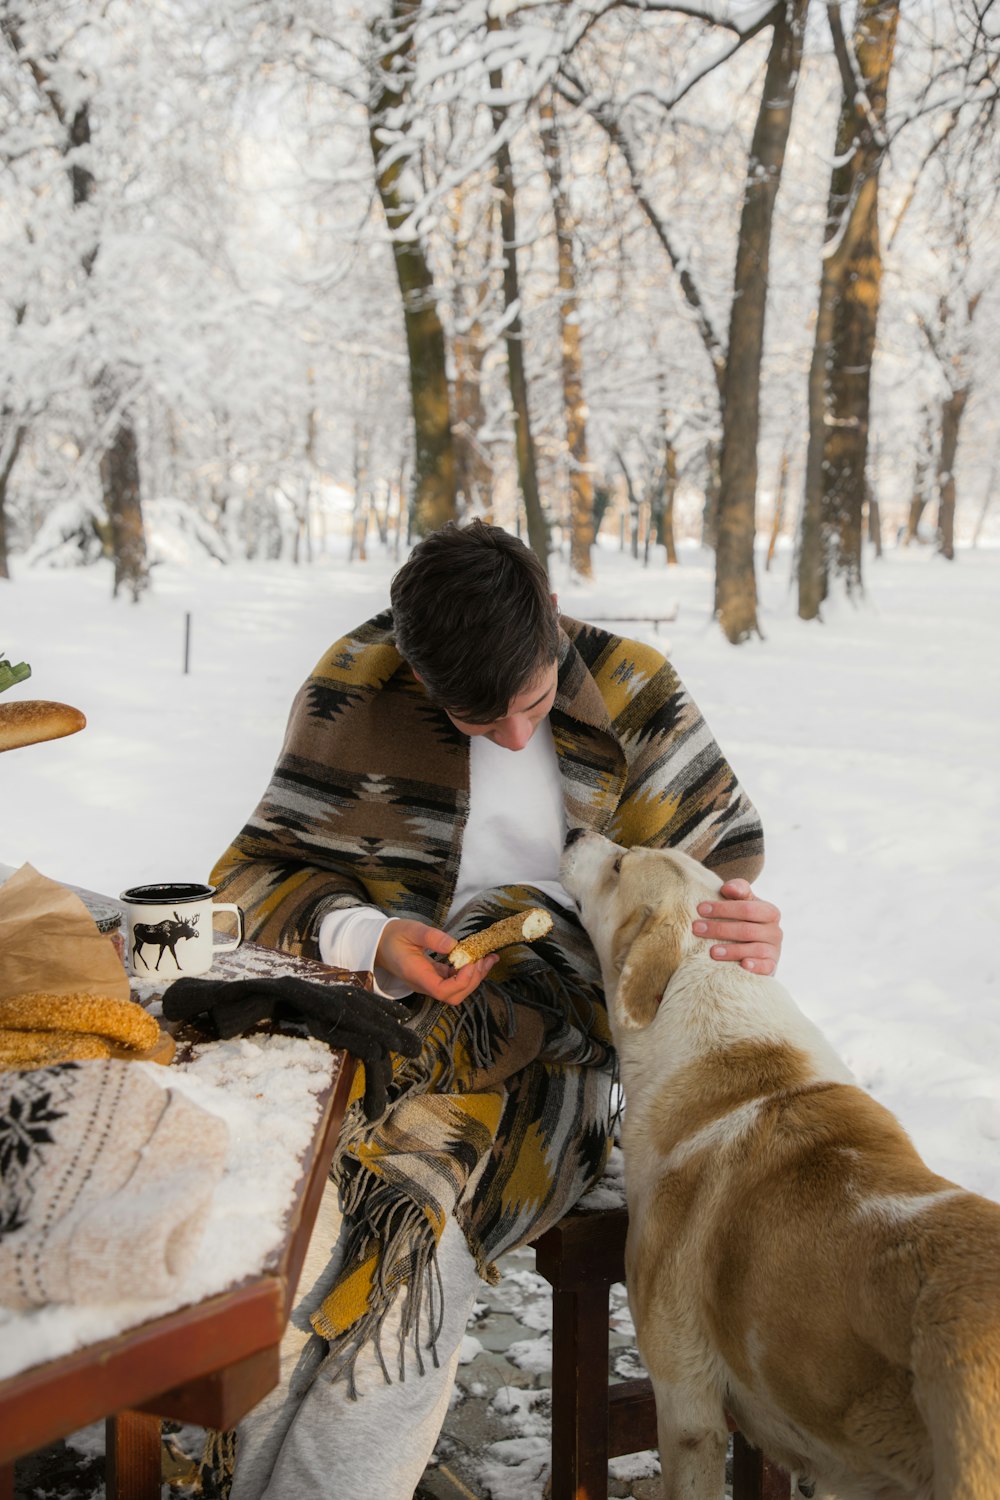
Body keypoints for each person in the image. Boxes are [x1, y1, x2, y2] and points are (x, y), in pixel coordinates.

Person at [209, 519, 782, 1498]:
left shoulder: (630, 687)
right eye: (476, 719)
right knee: (297, 1246)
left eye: (531, 701)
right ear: (415, 672)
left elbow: (708, 896)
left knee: (400, 1250)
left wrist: (747, 936)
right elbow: (255, 882)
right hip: (368, 1044)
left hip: (556, 1068)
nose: (516, 735)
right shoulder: (356, 685)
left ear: (553, 626)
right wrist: (369, 936)